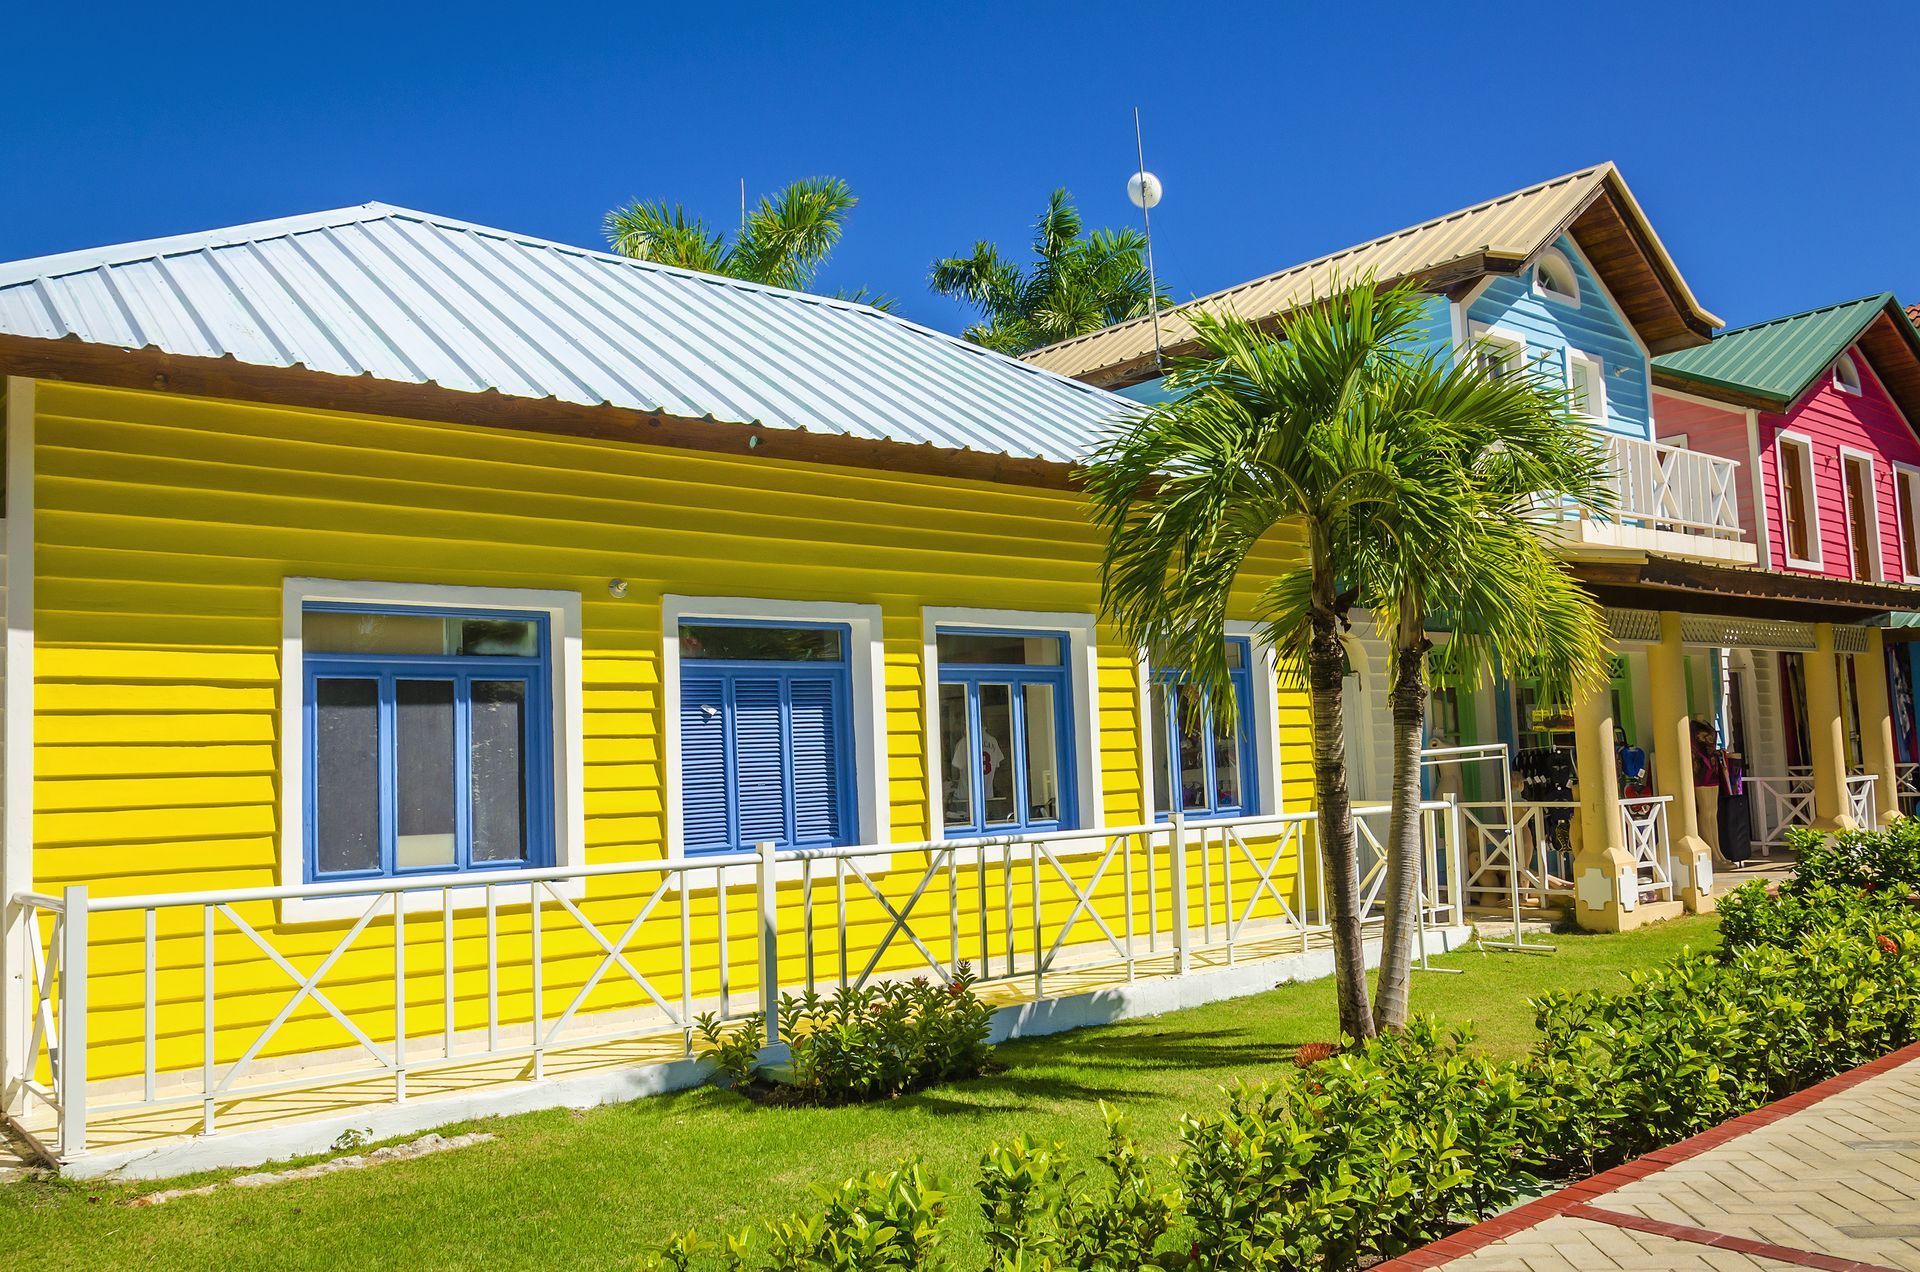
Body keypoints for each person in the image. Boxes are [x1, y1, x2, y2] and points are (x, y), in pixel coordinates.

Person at [1690, 719, 1739, 868]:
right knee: (1705, 813)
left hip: (1713, 768)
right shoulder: (1692, 727)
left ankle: (1718, 852)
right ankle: (1711, 853)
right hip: (1701, 769)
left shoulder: (1706, 724)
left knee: (1713, 813)